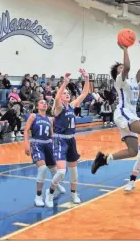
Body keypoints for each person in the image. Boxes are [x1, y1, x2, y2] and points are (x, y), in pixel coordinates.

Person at [91, 38, 140, 176]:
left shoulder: (133, 80)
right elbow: (127, 66)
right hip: (123, 114)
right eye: (120, 68)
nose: (123, 68)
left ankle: (104, 159)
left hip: (130, 115)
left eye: (123, 66)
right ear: (118, 73)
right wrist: (125, 49)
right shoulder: (119, 81)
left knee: (133, 151)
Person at [45, 69, 89, 208]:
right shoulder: (58, 107)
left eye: (68, 93)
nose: (66, 94)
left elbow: (84, 93)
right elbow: (57, 98)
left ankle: (74, 193)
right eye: (64, 93)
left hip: (71, 140)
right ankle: (50, 193)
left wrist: (87, 78)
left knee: (74, 172)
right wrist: (64, 83)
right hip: (60, 140)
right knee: (61, 172)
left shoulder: (71, 105)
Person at [24, 99, 66, 207]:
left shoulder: (49, 119)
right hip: (37, 143)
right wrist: (26, 144)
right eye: (41, 102)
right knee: (42, 168)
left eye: (45, 103)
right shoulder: (33, 116)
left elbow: (52, 134)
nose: (44, 103)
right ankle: (38, 196)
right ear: (37, 106)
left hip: (48, 144)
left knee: (55, 170)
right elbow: (26, 130)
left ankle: (56, 185)